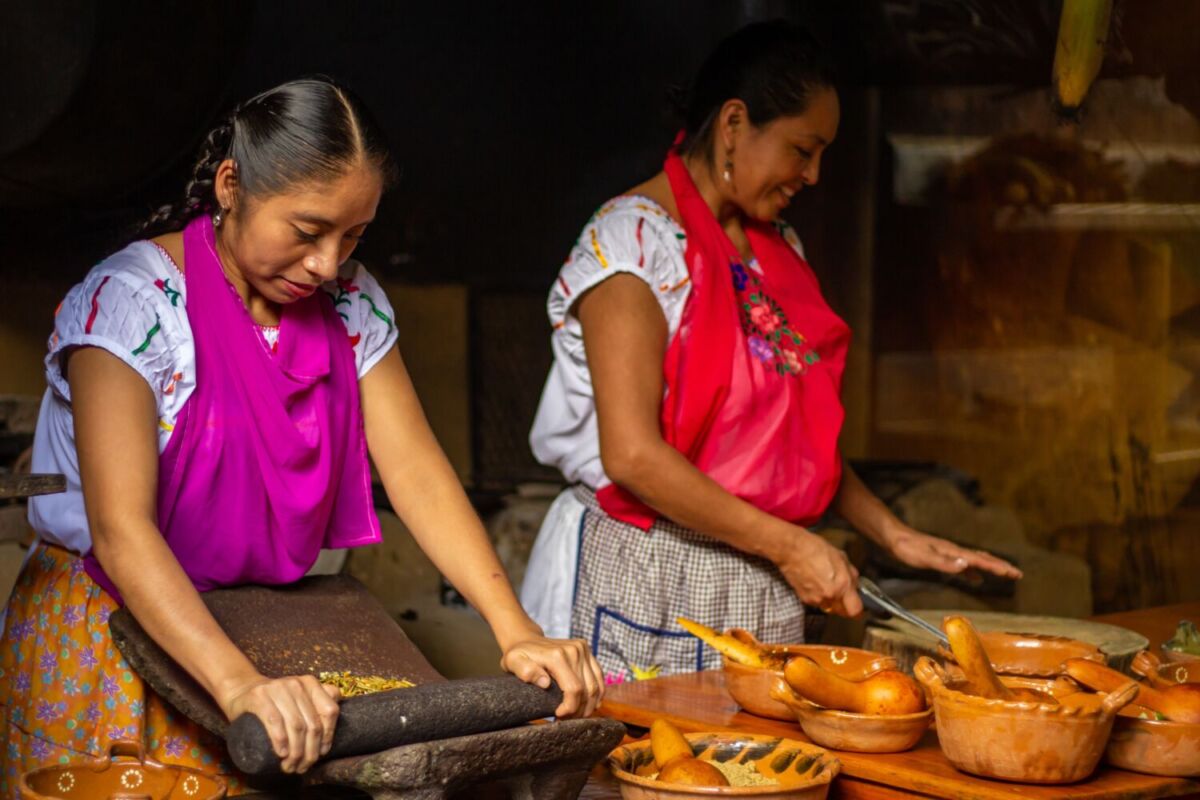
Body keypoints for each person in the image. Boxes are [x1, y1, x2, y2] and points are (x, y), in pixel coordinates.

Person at [0, 77, 602, 796]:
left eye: (354, 235)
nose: (327, 262)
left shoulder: (348, 302)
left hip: (257, 630)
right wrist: (239, 686)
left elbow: (414, 470)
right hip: (113, 634)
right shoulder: (131, 307)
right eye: (308, 230)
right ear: (231, 185)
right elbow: (121, 529)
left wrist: (516, 630)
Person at [520, 22, 1021, 683]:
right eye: (801, 149)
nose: (813, 175)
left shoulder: (774, 249)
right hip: (642, 575)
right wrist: (790, 547)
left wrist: (892, 534)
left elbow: (787, 438)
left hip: (760, 582)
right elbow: (633, 456)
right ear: (734, 124)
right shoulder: (632, 249)